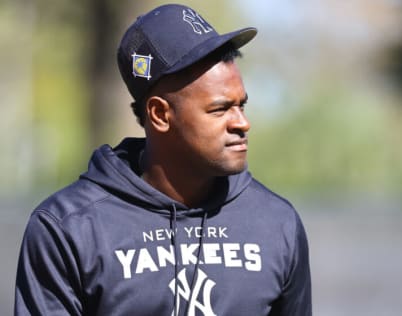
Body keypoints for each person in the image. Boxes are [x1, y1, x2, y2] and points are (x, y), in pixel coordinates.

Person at [14, 4, 312, 316]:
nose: (242, 123)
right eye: (220, 109)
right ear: (159, 115)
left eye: (242, 105)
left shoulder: (275, 223)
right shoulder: (68, 228)